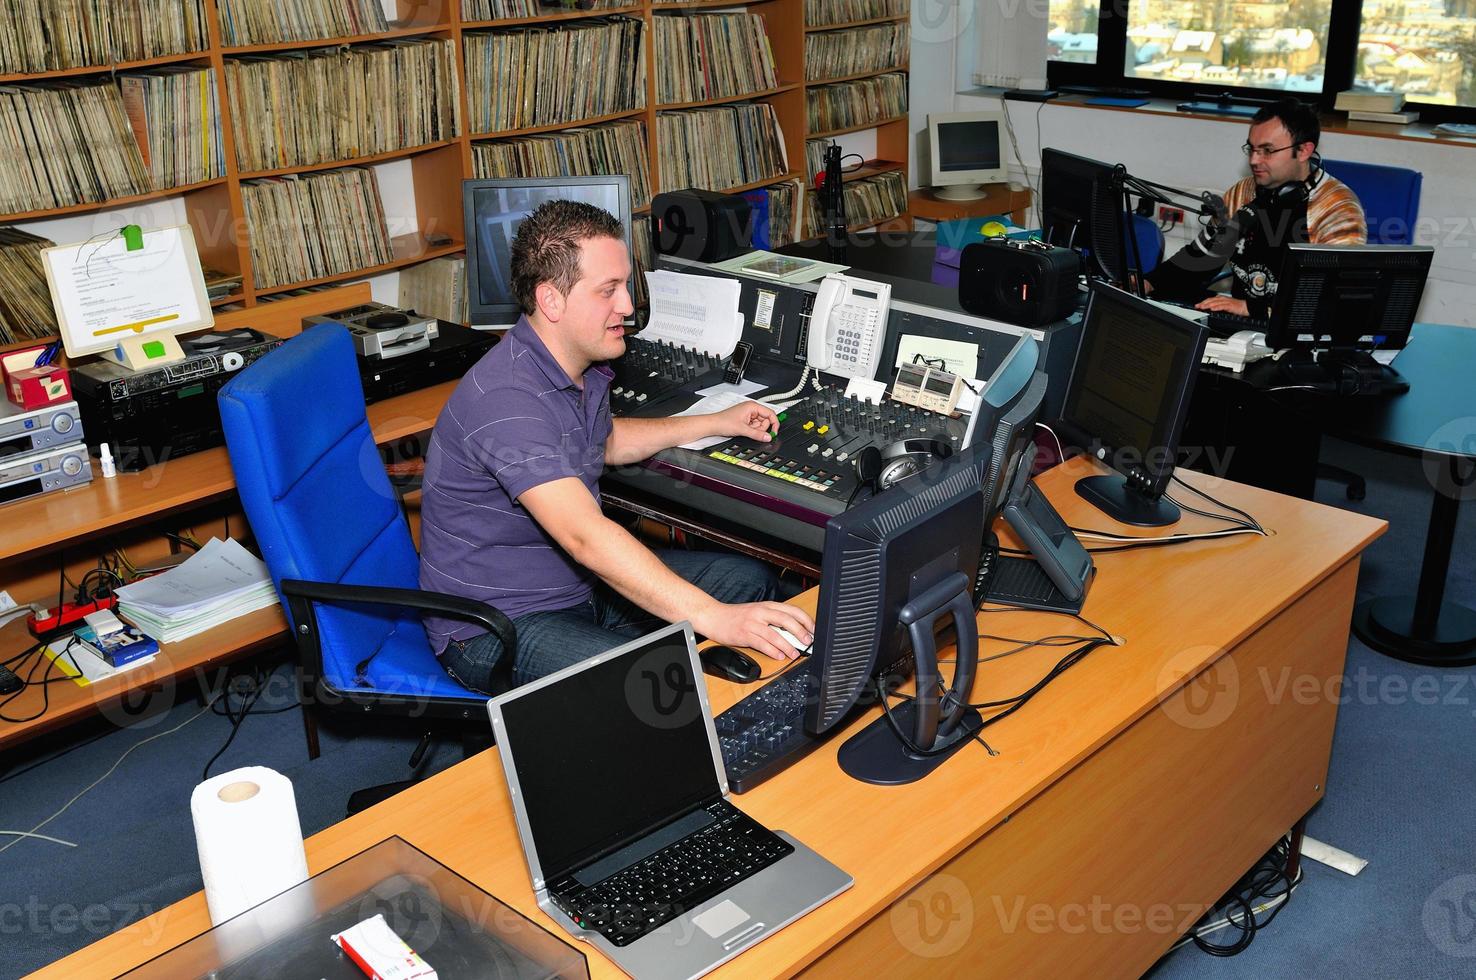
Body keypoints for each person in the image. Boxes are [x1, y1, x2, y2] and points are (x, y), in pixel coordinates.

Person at [419, 199, 814, 693]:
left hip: (576, 590)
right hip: (495, 627)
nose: (627, 306)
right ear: (552, 300)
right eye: (608, 291)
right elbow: (586, 536)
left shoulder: (573, 367)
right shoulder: (506, 400)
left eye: (625, 286)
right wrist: (713, 619)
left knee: (745, 580)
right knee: (649, 683)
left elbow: (602, 441)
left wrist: (716, 421)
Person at [1145, 98, 1366, 319]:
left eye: (1267, 150)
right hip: (1240, 329)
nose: (1254, 160)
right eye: (1251, 149)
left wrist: (1251, 308)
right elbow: (1202, 258)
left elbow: (1333, 301)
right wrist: (1147, 282)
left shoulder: (1337, 209)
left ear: (1304, 150)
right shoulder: (1243, 192)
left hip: (1296, 336)